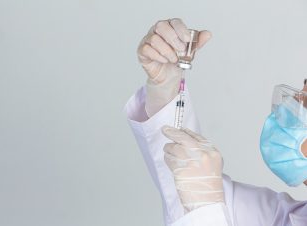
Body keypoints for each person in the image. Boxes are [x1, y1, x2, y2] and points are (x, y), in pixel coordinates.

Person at [125, 18, 307, 226]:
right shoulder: (283, 217)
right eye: (303, 89)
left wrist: (205, 211)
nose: (289, 107)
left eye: (306, 105)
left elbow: (204, 207)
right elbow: (193, 190)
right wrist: (165, 90)